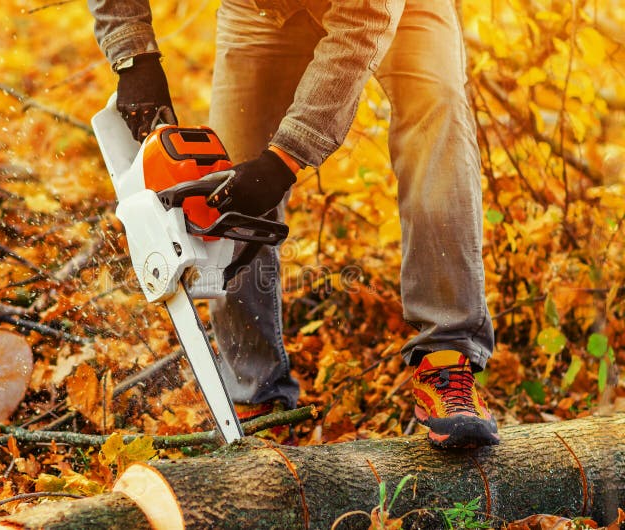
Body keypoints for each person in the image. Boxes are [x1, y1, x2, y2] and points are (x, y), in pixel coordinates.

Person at [88, 0, 500, 448]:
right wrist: (133, 55)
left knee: (434, 112)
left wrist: (283, 160)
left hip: (390, 9)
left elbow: (363, 22)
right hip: (260, 10)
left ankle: (446, 359)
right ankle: (254, 397)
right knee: (230, 170)